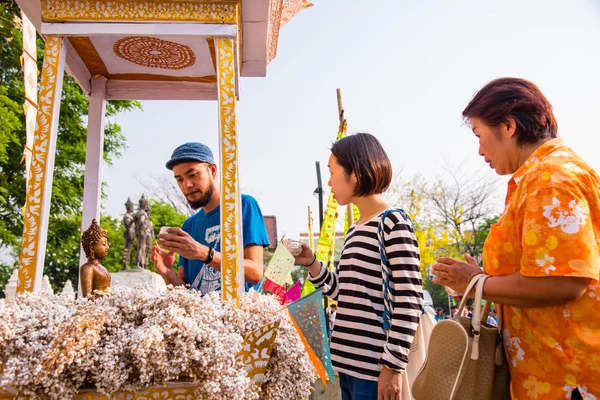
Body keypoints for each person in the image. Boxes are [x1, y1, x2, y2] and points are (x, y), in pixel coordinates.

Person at [432, 78, 600, 400]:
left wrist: (477, 282)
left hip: (568, 381)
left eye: (480, 136)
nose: (480, 150)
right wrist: (479, 280)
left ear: (508, 126)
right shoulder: (542, 176)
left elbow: (564, 282)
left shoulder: (551, 178)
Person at [293, 133, 423, 400]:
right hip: (348, 366)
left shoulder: (393, 222)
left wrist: (392, 366)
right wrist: (311, 263)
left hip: (375, 371)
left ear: (355, 173)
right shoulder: (355, 229)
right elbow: (341, 291)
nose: (329, 182)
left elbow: (410, 299)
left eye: (333, 172)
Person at [152, 142, 269, 295]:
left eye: (193, 175)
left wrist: (203, 253)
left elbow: (254, 272)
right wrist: (167, 273)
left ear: (212, 170)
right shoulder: (189, 225)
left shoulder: (243, 206)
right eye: (179, 179)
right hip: (198, 318)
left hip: (237, 315)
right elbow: (186, 292)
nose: (187, 185)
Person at [80, 219, 111, 298]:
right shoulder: (88, 268)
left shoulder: (102, 268)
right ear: (91, 247)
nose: (107, 247)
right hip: (95, 308)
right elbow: (87, 297)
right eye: (104, 244)